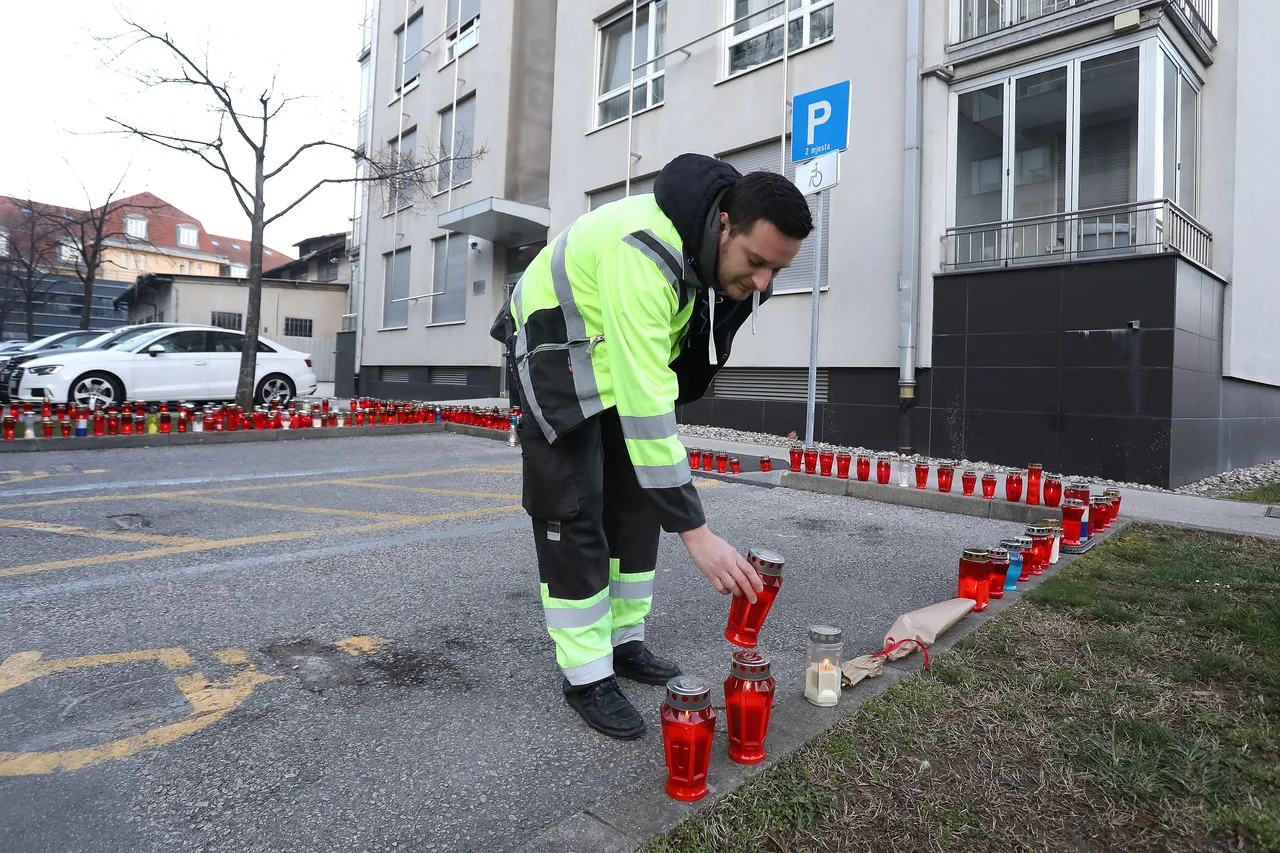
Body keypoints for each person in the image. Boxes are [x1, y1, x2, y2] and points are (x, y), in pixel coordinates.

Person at [490, 153, 814, 739]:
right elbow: (647, 401)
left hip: (606, 358)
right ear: (724, 226)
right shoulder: (644, 253)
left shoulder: (703, 255)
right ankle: (587, 674)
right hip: (553, 360)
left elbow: (659, 377)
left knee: (637, 506)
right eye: (756, 263)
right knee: (576, 510)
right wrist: (698, 533)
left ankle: (624, 641)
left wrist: (668, 499)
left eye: (777, 270)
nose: (763, 283)